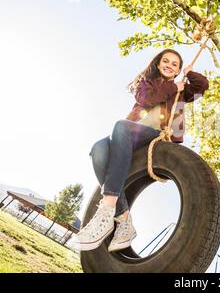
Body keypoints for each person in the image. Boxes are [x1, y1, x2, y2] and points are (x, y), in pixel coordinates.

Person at [73, 49, 209, 252]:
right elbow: (146, 100)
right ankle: (124, 220)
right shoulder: (147, 83)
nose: (169, 65)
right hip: (132, 134)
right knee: (99, 149)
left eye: (175, 64)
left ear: (178, 69)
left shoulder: (182, 91)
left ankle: (107, 209)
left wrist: (189, 74)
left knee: (120, 126)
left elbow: (202, 87)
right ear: (158, 63)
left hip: (158, 136)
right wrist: (173, 86)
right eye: (166, 61)